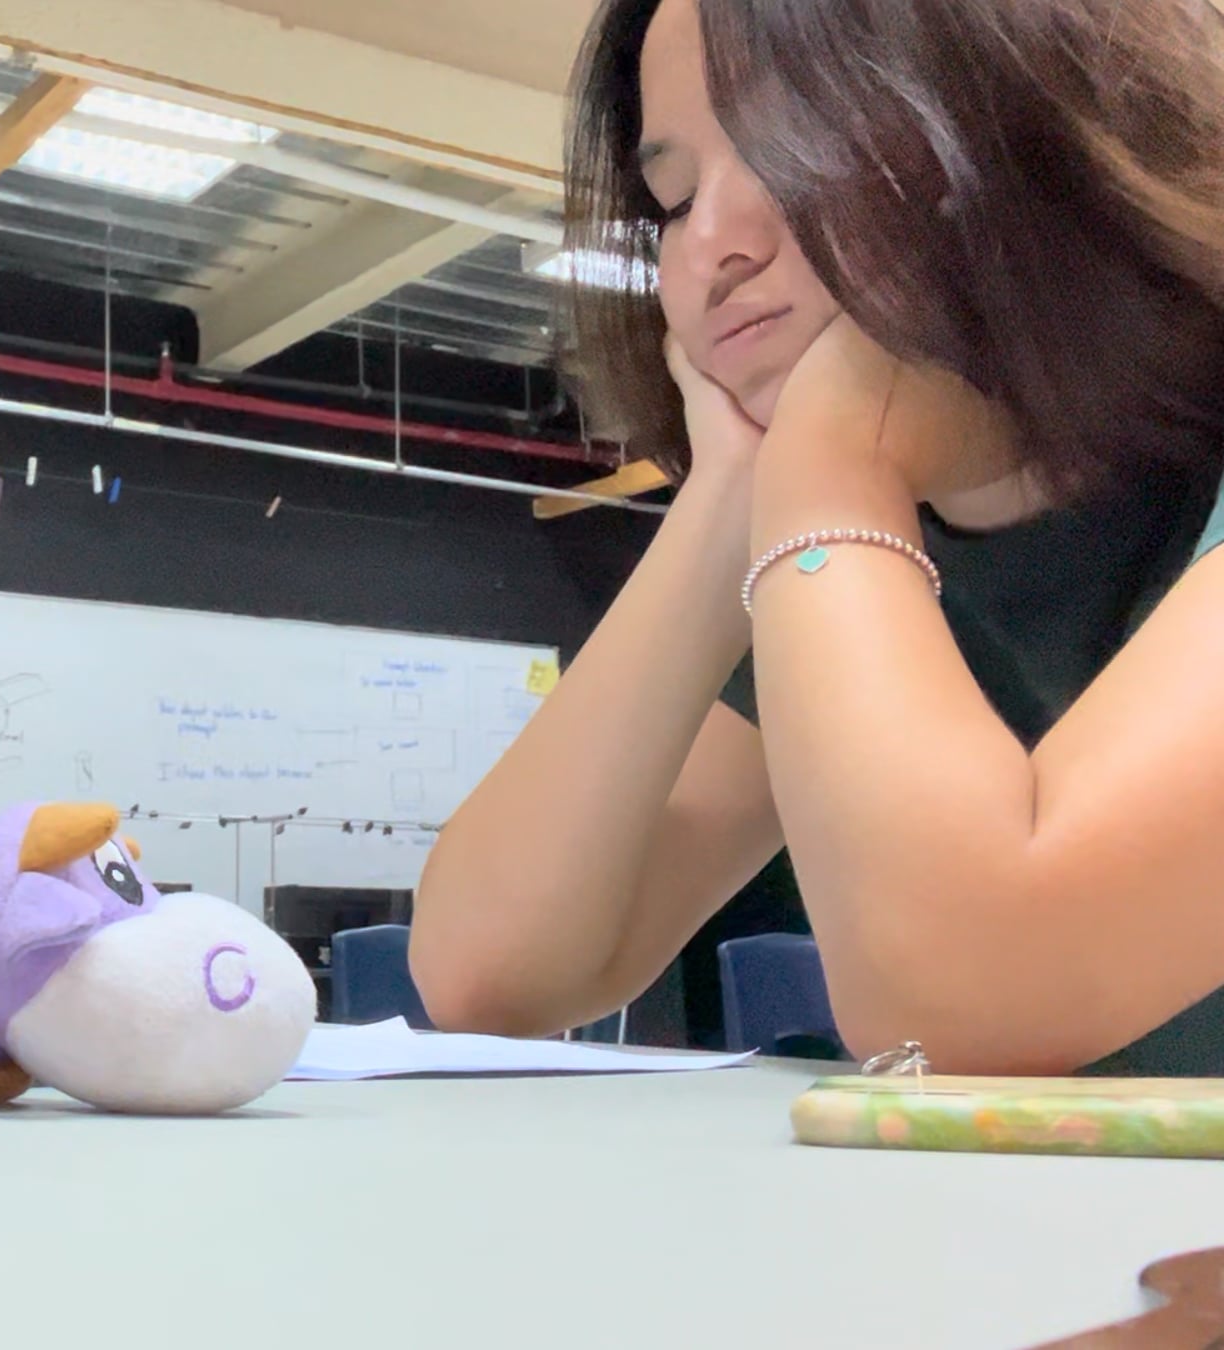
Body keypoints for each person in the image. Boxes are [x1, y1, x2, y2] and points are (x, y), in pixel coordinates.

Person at [411, 0, 1224, 1076]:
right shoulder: (873, 569)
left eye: (797, 144)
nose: (712, 245)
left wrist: (833, 453)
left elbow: (968, 1002)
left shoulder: (850, 517)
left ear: (1037, 132)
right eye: (675, 201)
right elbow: (487, 970)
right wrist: (732, 490)